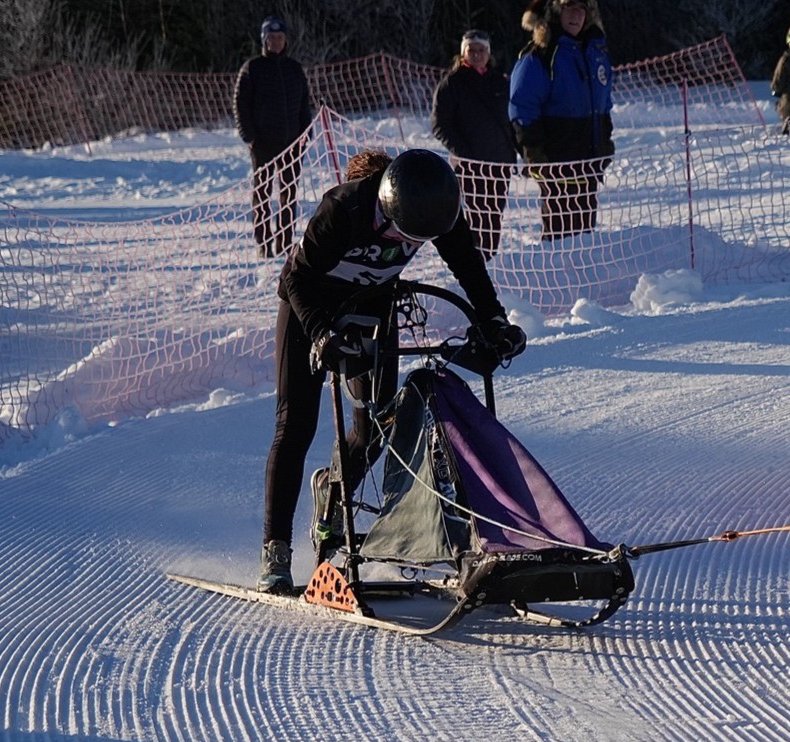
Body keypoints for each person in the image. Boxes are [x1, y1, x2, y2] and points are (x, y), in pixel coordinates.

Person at [257, 148, 527, 593]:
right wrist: (322, 335)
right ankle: (276, 549)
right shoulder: (344, 208)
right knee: (296, 425)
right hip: (310, 307)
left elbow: (468, 267)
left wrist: (494, 320)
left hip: (371, 307)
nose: (408, 244)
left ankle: (332, 494)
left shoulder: (434, 206)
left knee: (375, 427)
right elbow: (297, 280)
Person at [508, 0, 614, 241]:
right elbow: (522, 105)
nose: (575, 15)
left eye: (581, 9)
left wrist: (605, 137)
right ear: (557, 12)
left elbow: (604, 101)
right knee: (560, 234)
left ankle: (585, 276)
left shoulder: (595, 50)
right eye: (569, 8)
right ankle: (555, 275)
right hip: (556, 160)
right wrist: (532, 149)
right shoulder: (542, 54)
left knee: (585, 233)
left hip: (589, 160)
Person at [233, 16, 314, 258]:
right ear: (264, 41)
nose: (276, 42)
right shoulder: (253, 68)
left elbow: (304, 104)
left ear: (285, 40)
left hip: (292, 143)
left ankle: (285, 242)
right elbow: (240, 104)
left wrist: (305, 134)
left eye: (280, 38)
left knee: (289, 194)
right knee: (262, 194)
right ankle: (263, 243)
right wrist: (249, 135)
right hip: (263, 143)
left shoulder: (294, 69)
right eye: (272, 38)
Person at [433, 30, 515, 254]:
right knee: (479, 213)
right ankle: (477, 259)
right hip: (470, 165)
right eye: (472, 50)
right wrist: (463, 152)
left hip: (499, 162)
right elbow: (440, 124)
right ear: (463, 53)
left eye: (482, 50)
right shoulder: (452, 83)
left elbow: (511, 119)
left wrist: (515, 151)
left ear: (489, 53)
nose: (477, 54)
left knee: (495, 212)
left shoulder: (500, 81)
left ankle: (491, 256)